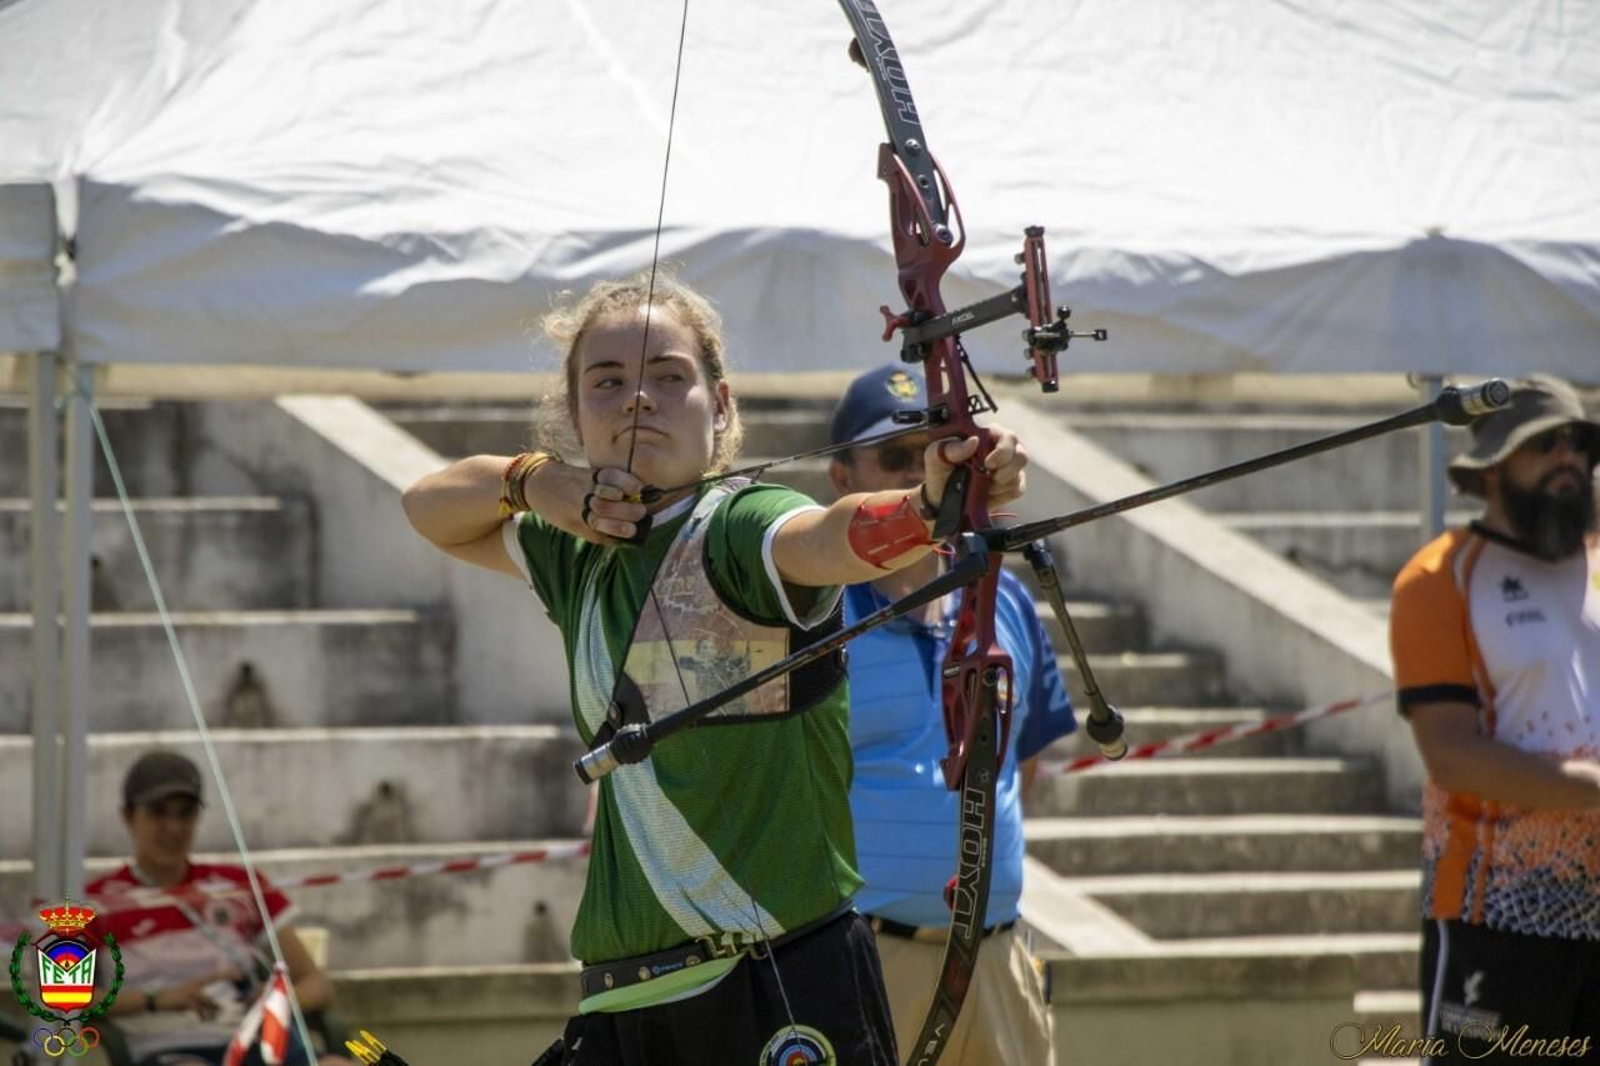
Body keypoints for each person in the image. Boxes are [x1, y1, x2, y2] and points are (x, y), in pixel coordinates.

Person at [401, 274, 1029, 1066]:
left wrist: (929, 507)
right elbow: (426, 508)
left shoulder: (740, 523)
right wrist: (531, 479)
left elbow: (825, 538)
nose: (638, 398)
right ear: (575, 414)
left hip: (774, 983)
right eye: (607, 382)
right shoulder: (573, 553)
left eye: (670, 376)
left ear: (721, 405)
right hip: (625, 1000)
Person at [827, 365, 1075, 1065]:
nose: (923, 473)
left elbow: (1018, 765)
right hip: (866, 961)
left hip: (997, 962)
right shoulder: (817, 615)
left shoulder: (1006, 599)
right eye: (896, 457)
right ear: (842, 480)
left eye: (939, 452)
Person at [1388, 374, 1600, 1059]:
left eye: (1580, 443)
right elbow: (1451, 755)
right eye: (1545, 443)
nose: (1569, 457)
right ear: (1494, 467)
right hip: (1495, 918)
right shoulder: (1439, 579)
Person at [85, 751, 353, 1066]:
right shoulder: (94, 903)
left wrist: (281, 1001)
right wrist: (156, 1000)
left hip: (257, 1043)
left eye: (185, 814)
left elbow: (316, 983)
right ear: (128, 816)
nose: (173, 828)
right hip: (169, 1048)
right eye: (158, 813)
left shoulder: (238, 885)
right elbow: (62, 997)